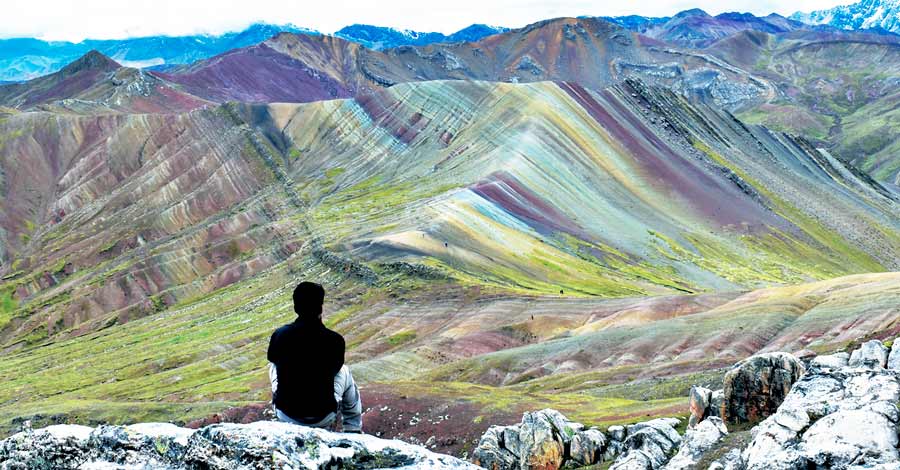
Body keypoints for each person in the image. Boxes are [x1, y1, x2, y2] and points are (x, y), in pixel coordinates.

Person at [267, 282, 362, 432]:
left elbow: (273, 358)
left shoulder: (280, 335)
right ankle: (353, 428)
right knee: (344, 371)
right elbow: (335, 368)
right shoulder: (335, 340)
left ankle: (278, 404)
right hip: (323, 416)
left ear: (295, 307)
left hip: (286, 414)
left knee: (273, 365)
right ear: (321, 307)